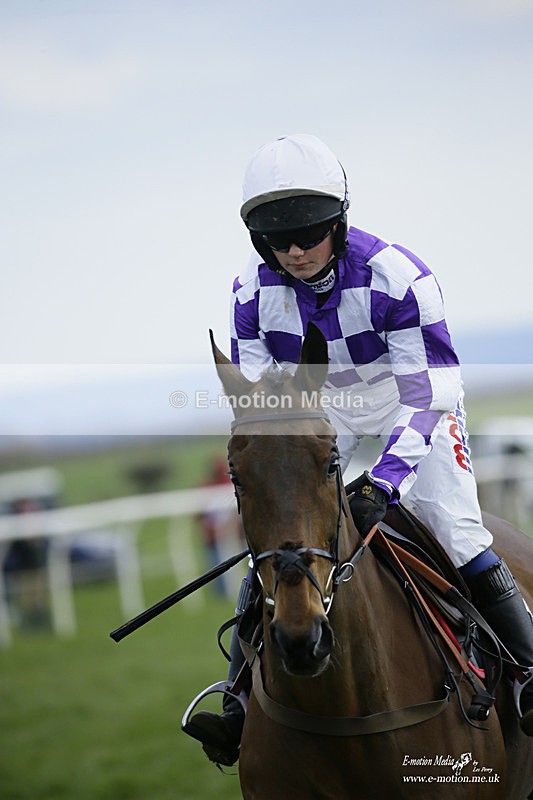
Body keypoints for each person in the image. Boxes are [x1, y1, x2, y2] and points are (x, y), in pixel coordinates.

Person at [183, 134, 533, 762]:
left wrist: (386, 481)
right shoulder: (249, 294)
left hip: (412, 404)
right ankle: (234, 702)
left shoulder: (399, 276)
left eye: (308, 233)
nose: (292, 250)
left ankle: (531, 674)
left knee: (457, 531)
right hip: (326, 413)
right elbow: (268, 408)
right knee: (282, 538)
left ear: (338, 221)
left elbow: (427, 395)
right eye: (276, 239)